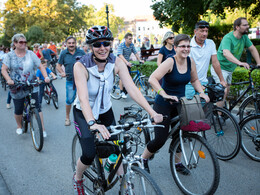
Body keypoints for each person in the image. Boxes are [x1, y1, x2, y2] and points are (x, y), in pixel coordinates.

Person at [72, 25, 163, 194]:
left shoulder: (116, 62)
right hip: (84, 114)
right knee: (89, 153)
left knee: (117, 147)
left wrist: (152, 113)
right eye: (97, 44)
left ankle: (124, 183)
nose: (102, 48)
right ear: (91, 46)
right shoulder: (81, 66)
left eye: (106, 43)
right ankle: (77, 177)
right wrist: (92, 123)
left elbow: (132, 89)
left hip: (105, 111)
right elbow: (83, 98)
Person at [141, 34, 210, 174]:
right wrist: (164, 94)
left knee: (182, 134)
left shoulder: (190, 61)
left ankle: (177, 163)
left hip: (180, 103)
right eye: (182, 46)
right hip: (164, 104)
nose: (186, 49)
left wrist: (201, 92)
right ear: (175, 48)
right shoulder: (170, 62)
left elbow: (195, 80)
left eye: (188, 46)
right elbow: (152, 79)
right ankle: (143, 159)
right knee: (160, 139)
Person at [1, 33, 50, 136]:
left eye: (25, 42)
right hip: (16, 86)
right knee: (18, 109)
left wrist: (46, 77)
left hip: (32, 84)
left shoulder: (31, 54)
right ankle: (19, 126)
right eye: (20, 42)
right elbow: (4, 70)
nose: (23, 44)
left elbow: (40, 66)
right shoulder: (10, 55)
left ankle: (43, 129)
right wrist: (9, 79)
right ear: (15, 43)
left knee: (37, 107)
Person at [211, 17, 260, 108]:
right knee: (223, 92)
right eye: (245, 25)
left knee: (226, 93)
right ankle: (218, 117)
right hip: (220, 68)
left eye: (248, 25)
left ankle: (220, 110)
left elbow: (252, 49)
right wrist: (239, 62)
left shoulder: (244, 37)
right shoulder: (228, 38)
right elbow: (226, 53)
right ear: (237, 27)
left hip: (230, 69)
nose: (247, 27)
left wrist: (258, 63)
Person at [185, 21, 227, 99]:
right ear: (195, 31)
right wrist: (197, 85)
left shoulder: (210, 43)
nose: (204, 34)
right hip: (189, 83)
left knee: (203, 108)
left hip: (204, 82)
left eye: (206, 31)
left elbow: (215, 62)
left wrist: (222, 80)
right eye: (202, 31)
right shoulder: (188, 45)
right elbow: (187, 66)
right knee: (190, 108)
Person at [56, 36, 85, 126]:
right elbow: (58, 65)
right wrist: (62, 72)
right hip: (70, 81)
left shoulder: (81, 52)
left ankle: (84, 118)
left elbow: (88, 63)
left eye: (73, 43)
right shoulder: (64, 53)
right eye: (69, 43)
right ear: (66, 44)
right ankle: (67, 117)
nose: (71, 45)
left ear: (76, 43)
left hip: (82, 80)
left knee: (83, 99)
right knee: (69, 100)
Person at [117, 32, 144, 98]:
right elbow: (120, 55)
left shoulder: (131, 45)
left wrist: (139, 60)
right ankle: (121, 92)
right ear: (125, 39)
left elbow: (135, 53)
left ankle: (126, 90)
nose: (131, 40)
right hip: (120, 61)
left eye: (131, 39)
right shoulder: (121, 45)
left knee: (128, 76)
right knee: (123, 77)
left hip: (127, 62)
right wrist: (126, 62)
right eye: (129, 39)